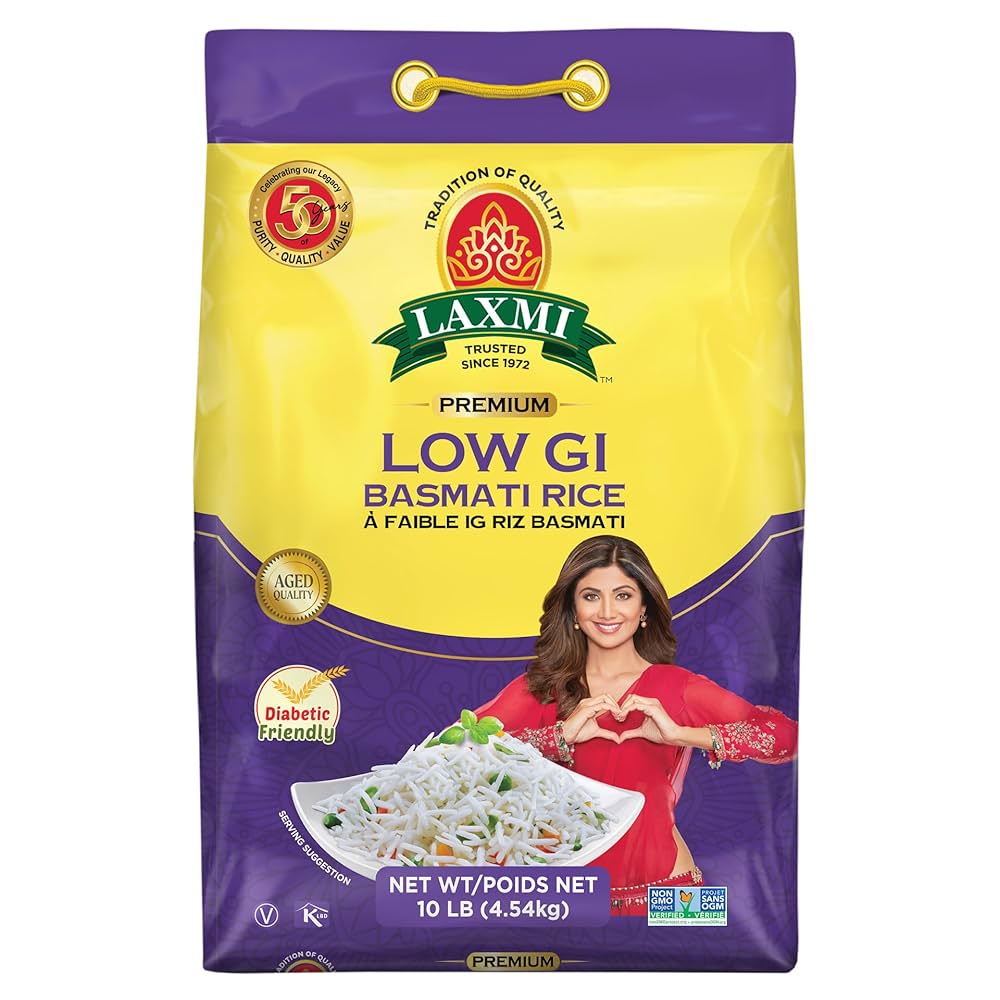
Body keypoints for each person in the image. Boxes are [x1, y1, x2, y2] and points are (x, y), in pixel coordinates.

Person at [474, 535, 797, 916]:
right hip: (568, 898)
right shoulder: (541, 690)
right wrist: (557, 737)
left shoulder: (677, 686)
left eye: (623, 595)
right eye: (591, 596)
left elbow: (787, 738)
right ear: (572, 609)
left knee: (710, 953)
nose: (607, 611)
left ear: (644, 607)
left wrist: (681, 734)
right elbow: (451, 752)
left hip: (673, 895)